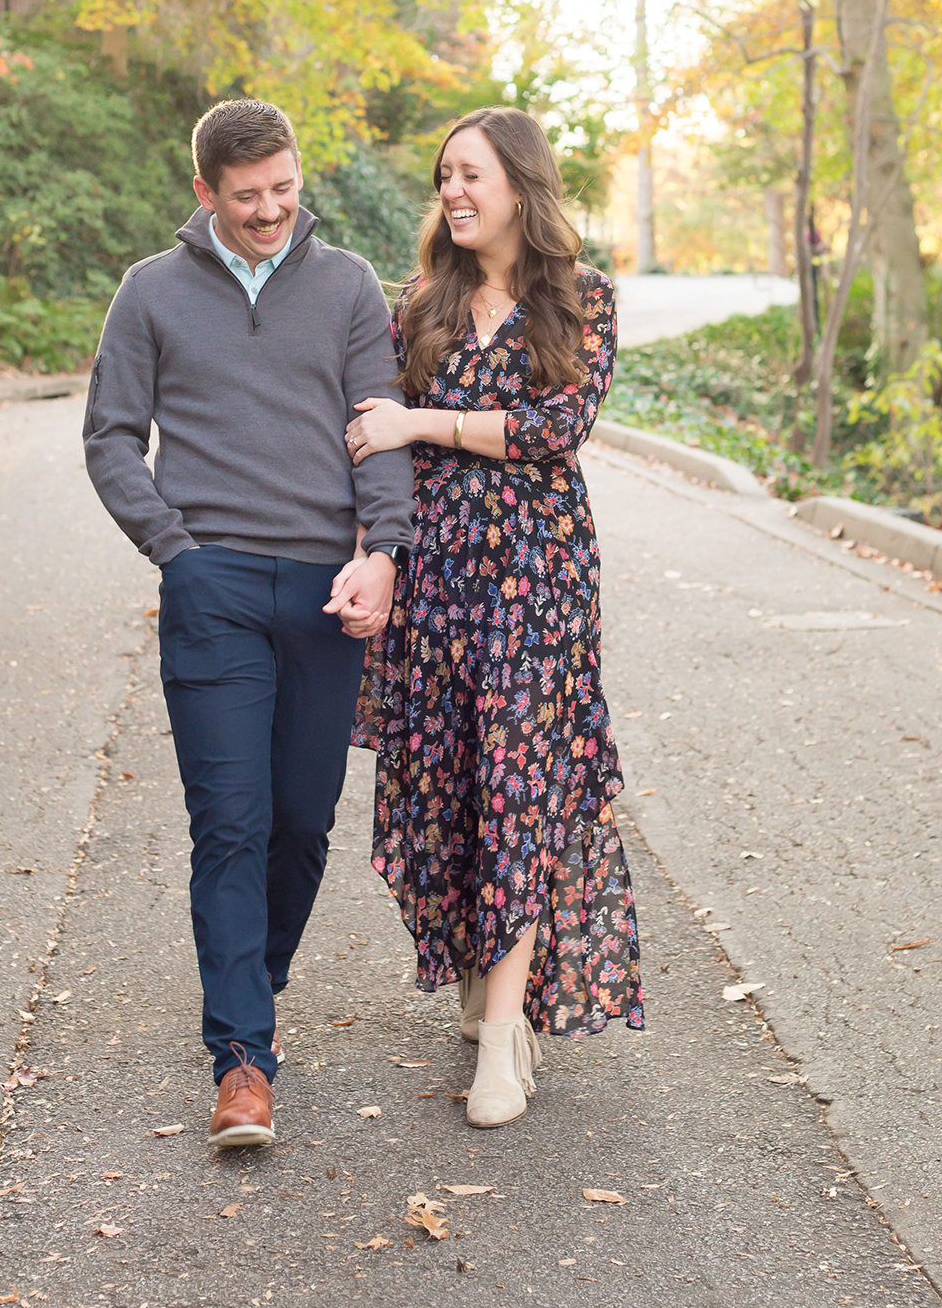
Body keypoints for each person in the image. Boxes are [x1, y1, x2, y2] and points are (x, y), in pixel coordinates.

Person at [83, 98, 413, 1149]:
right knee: (229, 820)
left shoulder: (350, 285)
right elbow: (109, 438)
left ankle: (248, 986)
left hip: (327, 587)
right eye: (248, 198)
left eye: (284, 189)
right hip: (212, 584)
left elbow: (380, 430)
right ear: (205, 196)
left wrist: (384, 552)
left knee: (300, 823)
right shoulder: (152, 293)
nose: (272, 212)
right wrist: (175, 553)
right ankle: (243, 1058)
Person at [345, 106, 644, 1130]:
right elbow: (367, 433)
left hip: (536, 580)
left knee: (519, 786)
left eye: (469, 174)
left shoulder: (583, 299)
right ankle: (486, 979)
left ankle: (507, 1036)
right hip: (434, 581)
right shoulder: (424, 303)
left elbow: (559, 426)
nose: (453, 193)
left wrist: (424, 421)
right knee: (448, 784)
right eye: (443, 178)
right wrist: (371, 553)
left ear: (520, 182)